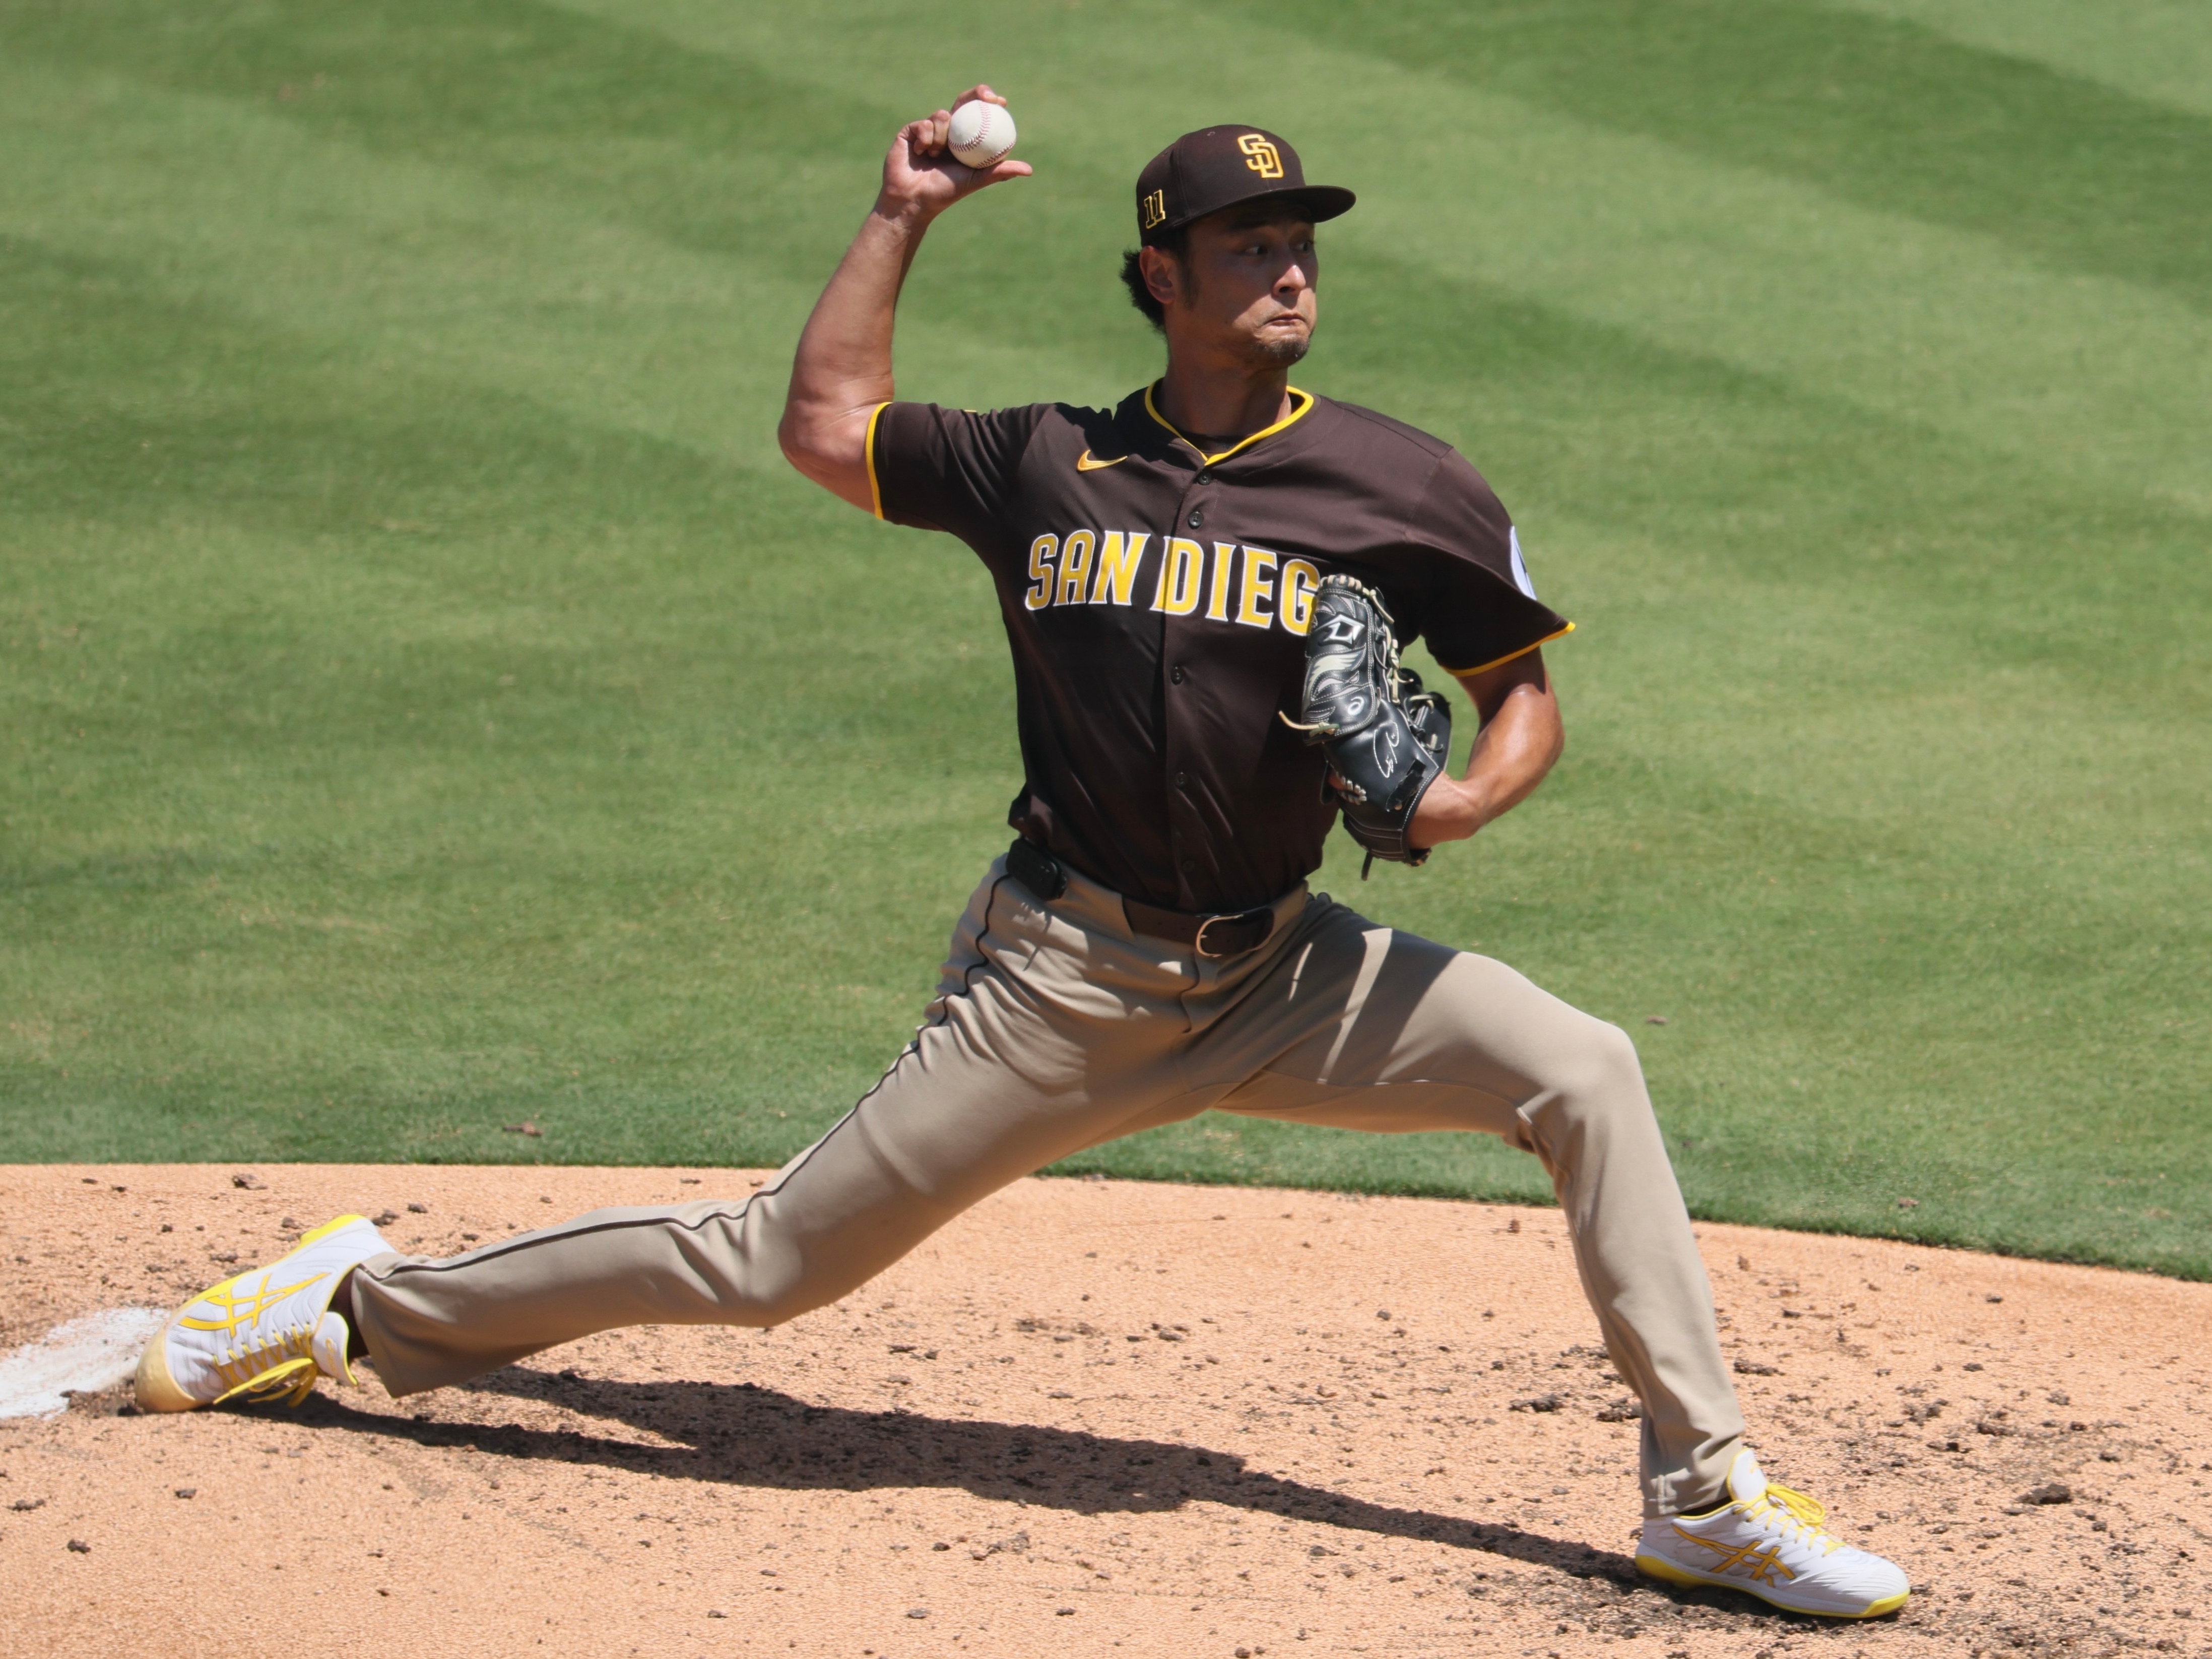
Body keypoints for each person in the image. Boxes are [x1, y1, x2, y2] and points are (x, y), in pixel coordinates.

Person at [135, 89, 1908, 1621]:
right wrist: (902, 218)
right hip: (1059, 986)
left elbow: (1520, 700)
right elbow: (827, 432)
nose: (1288, 267)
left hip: (1284, 972)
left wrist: (1454, 805)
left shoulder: (1401, 482)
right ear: (1161, 277)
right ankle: (355, 1304)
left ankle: (1702, 1495)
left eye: (1301, 240)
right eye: (1244, 244)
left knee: (1583, 1068)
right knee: (769, 1264)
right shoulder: (1049, 464)